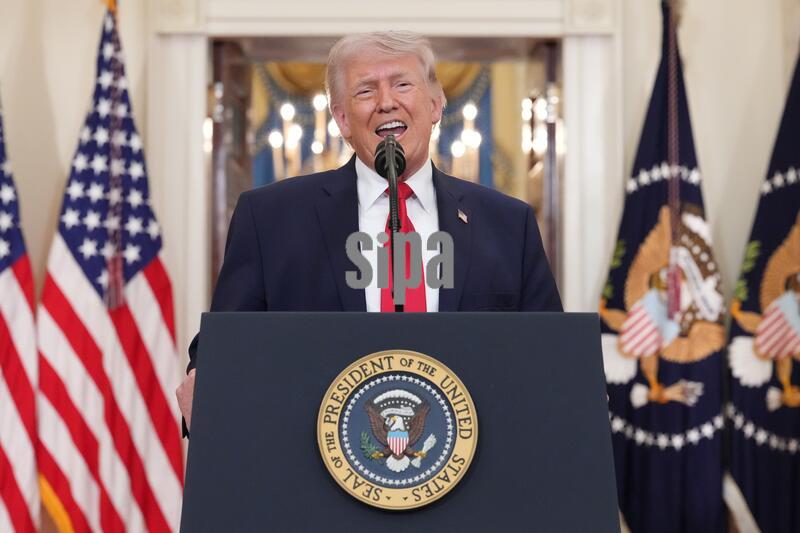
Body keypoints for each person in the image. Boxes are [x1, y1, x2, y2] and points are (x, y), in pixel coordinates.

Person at [176, 31, 562, 431]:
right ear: (342, 119)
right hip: (316, 471)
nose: (386, 102)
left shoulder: (506, 224)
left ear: (435, 103)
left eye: (402, 84)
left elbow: (549, 355)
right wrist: (205, 383)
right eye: (365, 91)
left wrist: (572, 386)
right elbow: (223, 349)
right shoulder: (270, 218)